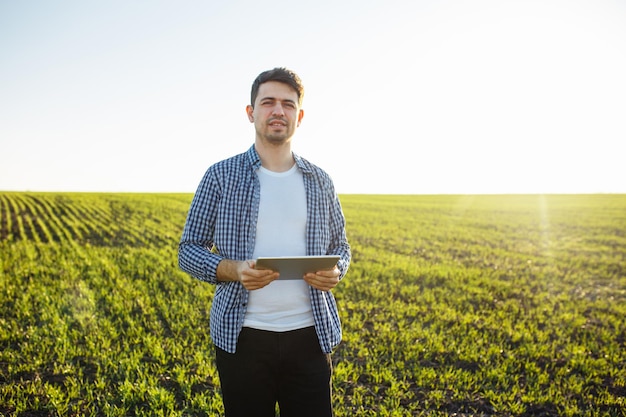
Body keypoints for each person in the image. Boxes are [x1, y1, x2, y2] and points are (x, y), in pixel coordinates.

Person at [178, 67, 351, 417]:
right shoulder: (220, 176)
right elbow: (188, 250)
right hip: (242, 338)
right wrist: (232, 269)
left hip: (310, 335)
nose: (278, 111)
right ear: (251, 112)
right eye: (268, 102)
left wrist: (335, 272)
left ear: (299, 117)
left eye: (288, 104)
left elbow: (342, 248)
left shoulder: (321, 181)